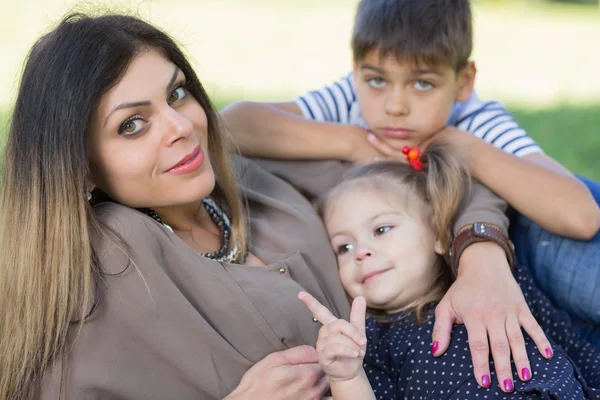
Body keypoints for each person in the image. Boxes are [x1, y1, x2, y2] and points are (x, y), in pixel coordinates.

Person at [0, 13, 547, 399]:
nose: (182, 127)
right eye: (132, 125)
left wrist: (481, 256)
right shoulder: (95, 276)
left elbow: (431, 175)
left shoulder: (246, 174)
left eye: (177, 94)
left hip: (487, 338)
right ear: (80, 167)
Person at [220, 0, 600, 343]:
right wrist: (353, 142)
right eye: (377, 80)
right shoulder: (353, 102)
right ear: (356, 73)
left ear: (463, 81)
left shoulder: (477, 121)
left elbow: (581, 215)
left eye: (422, 83)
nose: (395, 105)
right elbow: (229, 125)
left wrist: (463, 148)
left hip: (519, 248)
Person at [299, 140, 600, 399]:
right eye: (344, 247)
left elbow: (574, 350)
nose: (361, 252)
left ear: (441, 235)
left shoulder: (497, 285)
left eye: (381, 229)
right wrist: (347, 378)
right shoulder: (372, 342)